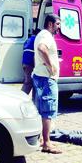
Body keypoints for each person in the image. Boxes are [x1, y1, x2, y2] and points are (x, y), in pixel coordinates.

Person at [33, 14, 62, 154]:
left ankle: (41, 139)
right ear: (50, 24)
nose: (59, 27)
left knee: (41, 110)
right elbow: (42, 48)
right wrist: (51, 66)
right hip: (46, 79)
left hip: (40, 76)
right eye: (57, 24)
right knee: (48, 111)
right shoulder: (46, 36)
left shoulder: (41, 34)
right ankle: (46, 143)